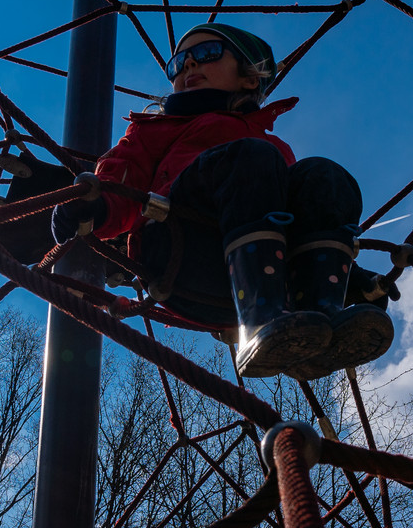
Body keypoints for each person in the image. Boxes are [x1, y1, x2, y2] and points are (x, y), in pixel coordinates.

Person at [51, 23, 393, 379]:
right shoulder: (153, 130)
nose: (189, 67)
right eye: (178, 63)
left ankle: (321, 318)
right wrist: (95, 206)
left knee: (324, 176)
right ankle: (262, 323)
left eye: (206, 54)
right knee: (252, 157)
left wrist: (350, 276)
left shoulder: (271, 149)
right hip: (178, 251)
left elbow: (298, 220)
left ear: (249, 77)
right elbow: (120, 179)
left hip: (261, 280)